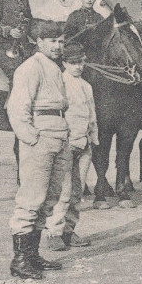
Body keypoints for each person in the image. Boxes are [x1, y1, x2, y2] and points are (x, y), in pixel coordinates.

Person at [5, 20, 70, 280]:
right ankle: (19, 260)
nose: (58, 45)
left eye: (61, 41)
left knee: (49, 199)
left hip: (59, 133)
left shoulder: (56, 68)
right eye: (52, 41)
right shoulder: (30, 67)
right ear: (39, 42)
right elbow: (17, 107)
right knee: (31, 198)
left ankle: (32, 255)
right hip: (40, 136)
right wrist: (30, 137)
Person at [47, 41, 98, 252]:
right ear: (65, 63)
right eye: (73, 63)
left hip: (84, 144)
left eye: (80, 63)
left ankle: (69, 230)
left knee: (78, 191)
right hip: (66, 144)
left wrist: (93, 139)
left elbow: (92, 115)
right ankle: (54, 232)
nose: (77, 67)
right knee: (63, 191)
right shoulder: (59, 82)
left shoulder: (87, 86)